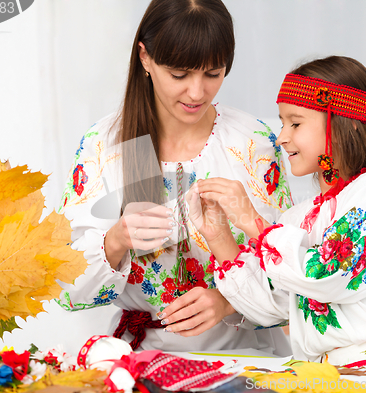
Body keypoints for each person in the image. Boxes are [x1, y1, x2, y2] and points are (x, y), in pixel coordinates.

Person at [180, 56, 366, 391]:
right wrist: (219, 235)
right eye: (282, 123)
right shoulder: (299, 218)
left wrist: (252, 221)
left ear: (347, 122)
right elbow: (271, 307)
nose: (281, 137)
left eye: (295, 123)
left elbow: (325, 273)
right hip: (333, 376)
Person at [57, 0, 292, 355]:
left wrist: (228, 302)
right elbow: (64, 287)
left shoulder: (254, 142)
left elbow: (294, 275)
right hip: (139, 361)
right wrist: (116, 241)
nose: (197, 93)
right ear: (145, 58)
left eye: (212, 74)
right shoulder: (105, 145)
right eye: (180, 75)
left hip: (246, 362)